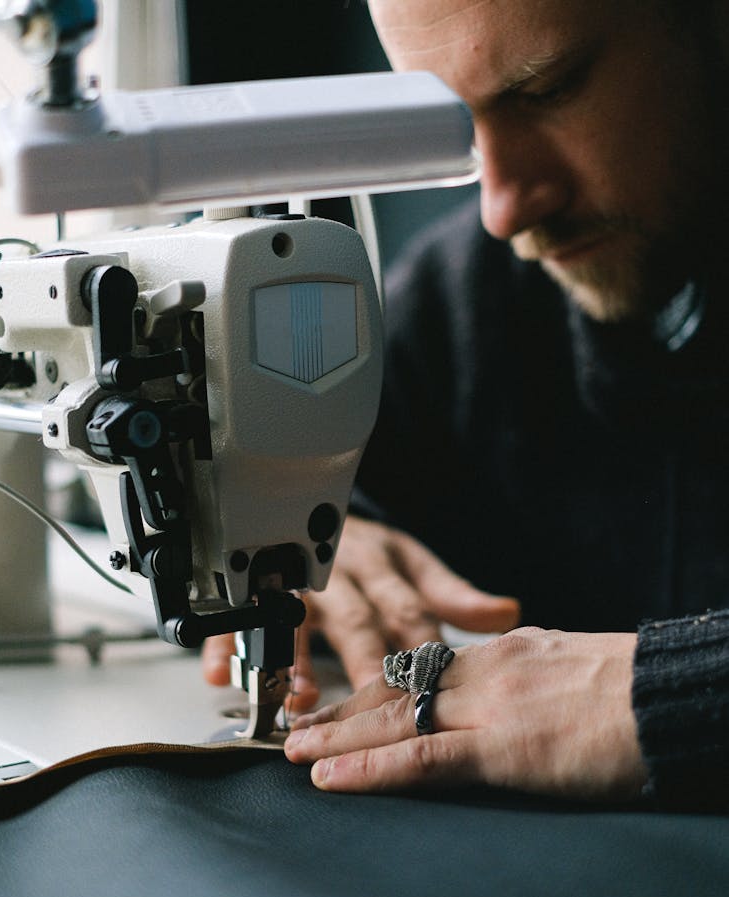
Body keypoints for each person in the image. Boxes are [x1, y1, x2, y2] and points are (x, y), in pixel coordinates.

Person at [206, 0, 729, 809]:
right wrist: (320, 539)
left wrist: (653, 697)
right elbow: (320, 503)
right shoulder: (467, 307)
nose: (503, 207)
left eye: (548, 90)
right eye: (451, 120)